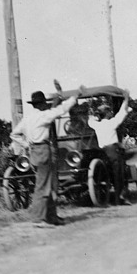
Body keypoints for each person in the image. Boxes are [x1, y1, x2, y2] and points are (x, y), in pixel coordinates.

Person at [10, 87, 84, 227]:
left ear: (33, 104)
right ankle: (39, 219)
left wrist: (26, 144)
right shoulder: (44, 115)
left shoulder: (28, 118)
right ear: (43, 103)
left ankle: (51, 217)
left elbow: (14, 134)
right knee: (43, 186)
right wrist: (75, 96)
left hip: (34, 151)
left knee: (48, 185)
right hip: (43, 150)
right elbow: (62, 109)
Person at [87, 89, 132, 205]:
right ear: (107, 113)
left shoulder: (96, 125)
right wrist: (126, 99)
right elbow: (122, 113)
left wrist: (92, 110)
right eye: (109, 112)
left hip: (102, 152)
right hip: (113, 151)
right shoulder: (112, 123)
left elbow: (89, 120)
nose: (111, 113)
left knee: (109, 174)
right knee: (119, 173)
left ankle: (112, 197)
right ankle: (120, 198)